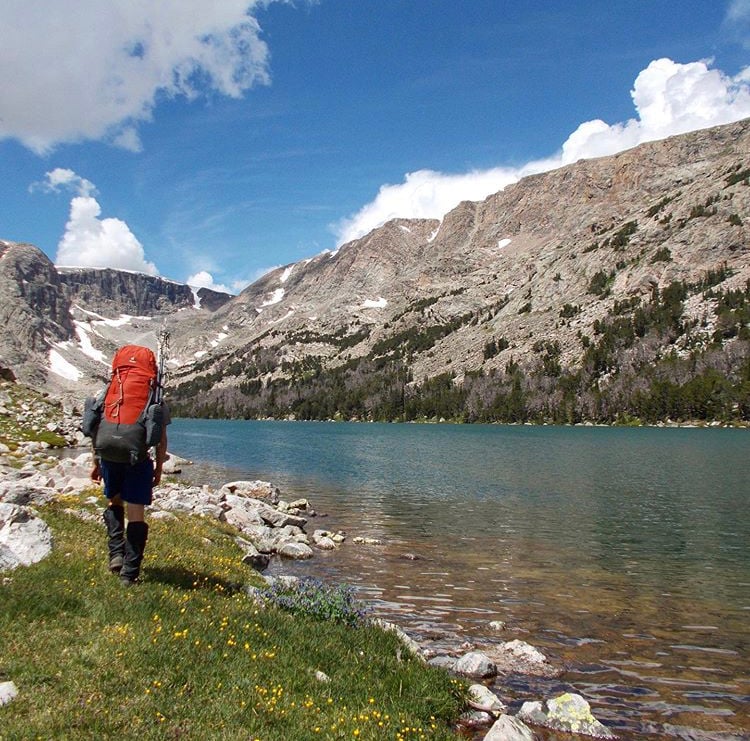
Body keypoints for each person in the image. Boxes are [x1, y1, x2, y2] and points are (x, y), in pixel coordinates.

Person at [92, 417, 169, 585]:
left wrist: (96, 462)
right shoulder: (153, 396)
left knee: (115, 501)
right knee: (136, 514)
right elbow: (161, 439)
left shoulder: (110, 392)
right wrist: (159, 469)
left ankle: (116, 555)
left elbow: (96, 427)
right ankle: (129, 573)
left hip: (110, 457)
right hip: (138, 460)